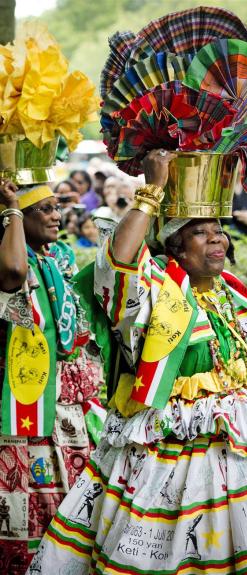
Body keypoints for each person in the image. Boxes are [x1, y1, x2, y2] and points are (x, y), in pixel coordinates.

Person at [27, 150, 247, 575]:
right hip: (170, 458)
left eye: (219, 231)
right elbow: (118, 266)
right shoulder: (157, 296)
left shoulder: (236, 296)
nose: (217, 239)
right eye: (201, 233)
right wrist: (152, 191)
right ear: (176, 250)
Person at [0, 179, 105, 573]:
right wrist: (10, 205)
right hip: (24, 409)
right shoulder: (9, 258)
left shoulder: (57, 258)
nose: (57, 216)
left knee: (73, 508)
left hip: (69, 410)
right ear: (15, 219)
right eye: (43, 209)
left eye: (56, 206)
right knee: (27, 509)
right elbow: (13, 271)